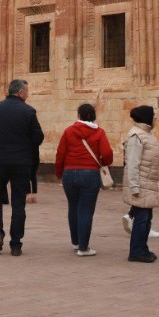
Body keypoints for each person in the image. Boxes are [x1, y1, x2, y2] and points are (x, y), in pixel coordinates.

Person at [0, 79, 43, 256]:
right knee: (18, 203)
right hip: (21, 162)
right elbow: (38, 137)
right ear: (21, 93)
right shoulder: (28, 111)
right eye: (27, 92)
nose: (28, 95)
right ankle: (16, 244)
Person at [55, 103, 113, 257]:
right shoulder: (99, 132)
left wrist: (59, 172)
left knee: (73, 207)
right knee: (86, 209)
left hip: (69, 173)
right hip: (90, 174)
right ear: (93, 116)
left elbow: (60, 153)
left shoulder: (68, 131)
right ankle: (83, 247)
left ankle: (75, 241)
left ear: (79, 115)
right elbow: (107, 154)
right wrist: (103, 162)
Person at [122, 105, 159, 263]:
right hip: (141, 184)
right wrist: (134, 187)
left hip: (148, 182)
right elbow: (132, 163)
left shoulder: (146, 134)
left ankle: (142, 248)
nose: (156, 119)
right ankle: (136, 251)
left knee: (146, 218)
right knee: (142, 218)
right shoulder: (136, 136)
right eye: (153, 115)